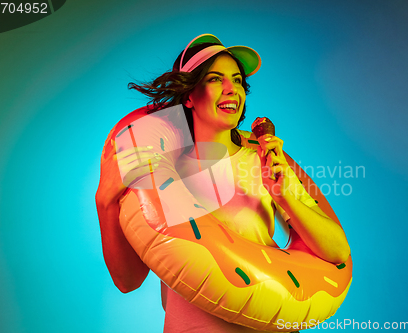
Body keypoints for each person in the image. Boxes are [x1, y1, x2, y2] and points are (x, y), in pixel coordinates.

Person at [96, 34, 350, 333]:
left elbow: (336, 253)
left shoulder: (263, 159)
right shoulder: (160, 171)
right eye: (216, 79)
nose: (232, 89)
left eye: (238, 80)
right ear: (189, 95)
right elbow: (128, 282)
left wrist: (285, 197)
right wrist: (105, 203)